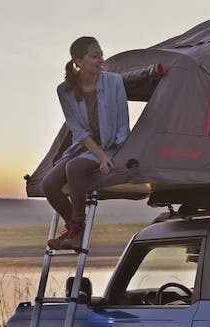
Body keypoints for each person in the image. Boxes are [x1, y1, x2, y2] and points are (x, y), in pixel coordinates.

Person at [42, 36, 129, 250]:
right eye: (95, 55)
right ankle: (75, 228)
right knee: (49, 184)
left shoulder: (114, 81)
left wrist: (117, 153)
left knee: (74, 167)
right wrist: (98, 156)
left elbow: (122, 121)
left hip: (110, 145)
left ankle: (76, 228)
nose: (101, 59)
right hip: (84, 146)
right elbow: (78, 131)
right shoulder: (65, 91)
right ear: (78, 61)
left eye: (101, 54)